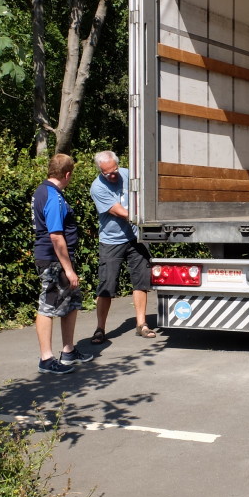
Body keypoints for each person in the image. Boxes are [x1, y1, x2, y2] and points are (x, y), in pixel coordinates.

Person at [32, 153, 93, 375]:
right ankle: (46, 359)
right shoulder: (52, 196)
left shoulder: (45, 191)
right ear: (67, 174)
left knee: (72, 302)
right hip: (53, 260)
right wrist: (68, 269)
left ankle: (68, 351)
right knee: (47, 306)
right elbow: (56, 236)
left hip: (59, 260)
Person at [89, 150, 157, 342]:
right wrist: (144, 217)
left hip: (135, 238)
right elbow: (119, 211)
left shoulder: (128, 175)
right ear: (100, 171)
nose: (112, 175)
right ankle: (100, 329)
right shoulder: (97, 187)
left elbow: (144, 193)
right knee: (107, 285)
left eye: (115, 171)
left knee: (141, 281)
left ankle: (142, 324)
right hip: (111, 241)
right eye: (107, 173)